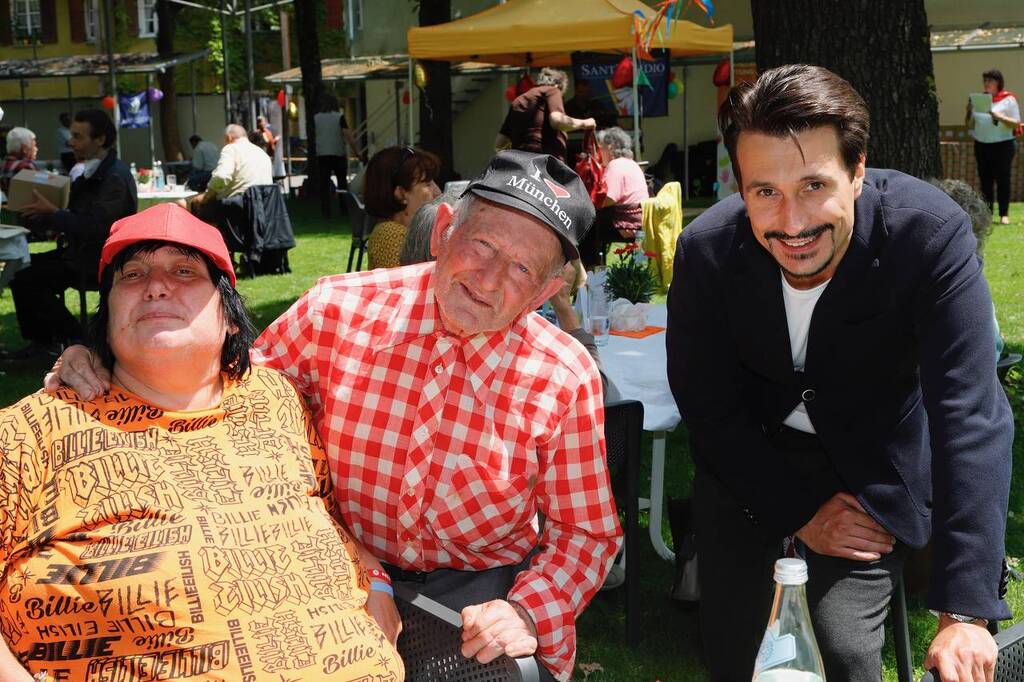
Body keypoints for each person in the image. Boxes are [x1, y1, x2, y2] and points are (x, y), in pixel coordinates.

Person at [49, 150, 620, 682]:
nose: (489, 279)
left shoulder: (563, 374)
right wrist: (104, 355)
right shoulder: (339, 311)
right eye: (482, 246)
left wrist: (525, 608)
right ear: (444, 230)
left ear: (546, 288)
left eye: (521, 270)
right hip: (328, 568)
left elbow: (586, 533)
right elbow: (218, 390)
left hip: (474, 594)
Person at [666, 64, 1012, 682]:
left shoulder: (928, 236)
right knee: (738, 656)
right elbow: (708, 406)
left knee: (841, 655)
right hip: (749, 467)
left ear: (857, 172)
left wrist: (965, 610)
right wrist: (800, 511)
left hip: (873, 469)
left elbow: (970, 415)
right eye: (764, 191)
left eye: (814, 185)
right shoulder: (706, 252)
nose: (792, 223)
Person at [0, 203, 404, 681]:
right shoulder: (31, 431)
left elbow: (321, 516)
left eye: (185, 270)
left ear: (230, 318)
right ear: (108, 320)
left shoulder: (276, 398)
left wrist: (378, 582)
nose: (155, 285)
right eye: (131, 275)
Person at [3, 109, 136, 360]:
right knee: (21, 272)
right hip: (81, 253)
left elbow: (97, 227)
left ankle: (77, 338)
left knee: (28, 278)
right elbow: (76, 216)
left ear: (100, 139)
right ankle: (47, 340)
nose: (70, 142)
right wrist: (46, 211)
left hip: (100, 260)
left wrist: (53, 213)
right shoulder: (93, 170)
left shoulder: (114, 176)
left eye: (78, 136)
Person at [579, 126, 649, 268]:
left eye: (601, 147)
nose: (599, 151)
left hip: (625, 224)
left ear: (610, 147)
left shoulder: (615, 165)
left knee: (584, 227)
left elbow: (607, 200)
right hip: (641, 220)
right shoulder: (632, 164)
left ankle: (591, 269)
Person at [364, 145, 441, 269]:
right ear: (401, 194)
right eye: (428, 184)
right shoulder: (390, 234)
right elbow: (411, 286)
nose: (438, 192)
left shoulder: (410, 233)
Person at [495, 68, 596, 163]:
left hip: (522, 164)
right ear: (558, 85)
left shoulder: (518, 100)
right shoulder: (552, 90)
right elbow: (558, 121)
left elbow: (499, 143)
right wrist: (586, 122)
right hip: (545, 162)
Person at [188, 124, 272, 228]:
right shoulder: (262, 153)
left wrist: (207, 196)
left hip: (236, 208)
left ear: (229, 137)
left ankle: (205, 241)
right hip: (262, 209)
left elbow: (221, 176)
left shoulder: (231, 148)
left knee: (189, 203)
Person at [965, 69, 1021, 225]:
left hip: (1003, 145)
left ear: (998, 83)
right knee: (985, 181)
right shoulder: (978, 100)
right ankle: (987, 214)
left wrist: (998, 117)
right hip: (982, 144)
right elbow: (969, 125)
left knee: (1003, 179)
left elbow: (1015, 122)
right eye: (985, 81)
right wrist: (968, 112)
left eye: (990, 80)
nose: (987, 83)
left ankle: (1004, 214)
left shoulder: (1008, 99)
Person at [315, 93, 368, 218]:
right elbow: (348, 135)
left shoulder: (316, 118)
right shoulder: (339, 117)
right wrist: (357, 152)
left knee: (324, 184)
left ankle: (326, 211)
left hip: (322, 154)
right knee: (342, 183)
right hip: (338, 153)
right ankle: (344, 209)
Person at [0, 126, 37, 194]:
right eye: (34, 145)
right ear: (24, 148)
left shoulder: (3, 164)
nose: (36, 149)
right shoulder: (26, 166)